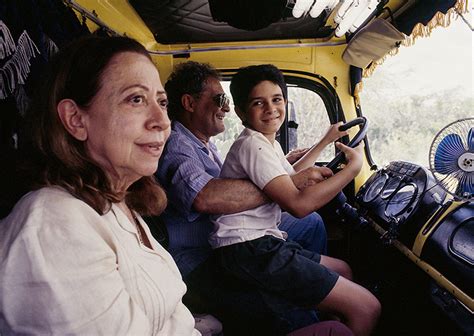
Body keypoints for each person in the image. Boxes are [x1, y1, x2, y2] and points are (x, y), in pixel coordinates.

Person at [0, 35, 200, 335]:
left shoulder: (120, 202)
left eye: (162, 102)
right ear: (76, 120)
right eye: (136, 99)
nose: (162, 120)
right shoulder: (54, 223)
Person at [156, 61, 344, 334]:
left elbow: (267, 180)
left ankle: (317, 295)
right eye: (220, 99)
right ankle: (307, 312)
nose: (227, 108)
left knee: (310, 222)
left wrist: (293, 171)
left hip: (231, 235)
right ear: (189, 103)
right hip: (200, 257)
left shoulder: (205, 146)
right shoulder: (177, 146)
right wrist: (286, 183)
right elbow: (204, 197)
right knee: (283, 306)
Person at [209, 64, 381, 336]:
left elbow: (291, 176)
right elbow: (298, 205)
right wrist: (352, 170)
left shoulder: (266, 142)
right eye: (258, 103)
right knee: (367, 308)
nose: (271, 109)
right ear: (241, 112)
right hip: (250, 250)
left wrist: (325, 140)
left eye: (277, 100)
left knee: (343, 269)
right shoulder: (252, 146)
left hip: (259, 243)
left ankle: (329, 324)